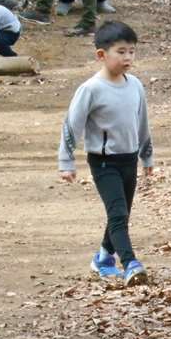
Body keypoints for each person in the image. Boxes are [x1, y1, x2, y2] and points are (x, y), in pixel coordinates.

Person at [58, 21, 153, 286]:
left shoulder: (135, 85)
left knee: (120, 213)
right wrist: (66, 162)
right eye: (121, 52)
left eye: (132, 51)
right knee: (118, 213)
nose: (128, 58)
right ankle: (130, 262)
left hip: (129, 158)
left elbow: (142, 123)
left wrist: (147, 156)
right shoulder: (91, 89)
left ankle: (102, 258)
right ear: (102, 55)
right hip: (103, 162)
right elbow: (71, 126)